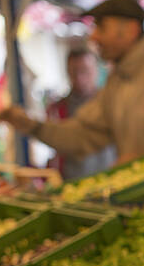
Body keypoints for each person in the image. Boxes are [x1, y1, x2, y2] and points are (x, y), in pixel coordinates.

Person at [0, 0, 144, 166]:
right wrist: (31, 125)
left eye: (101, 27)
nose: (93, 37)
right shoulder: (117, 83)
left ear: (131, 30)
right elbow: (83, 134)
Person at [46, 47, 115, 180]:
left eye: (85, 71)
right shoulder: (58, 109)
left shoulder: (112, 103)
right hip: (73, 181)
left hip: (111, 179)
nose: (79, 78)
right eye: (74, 72)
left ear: (96, 70)